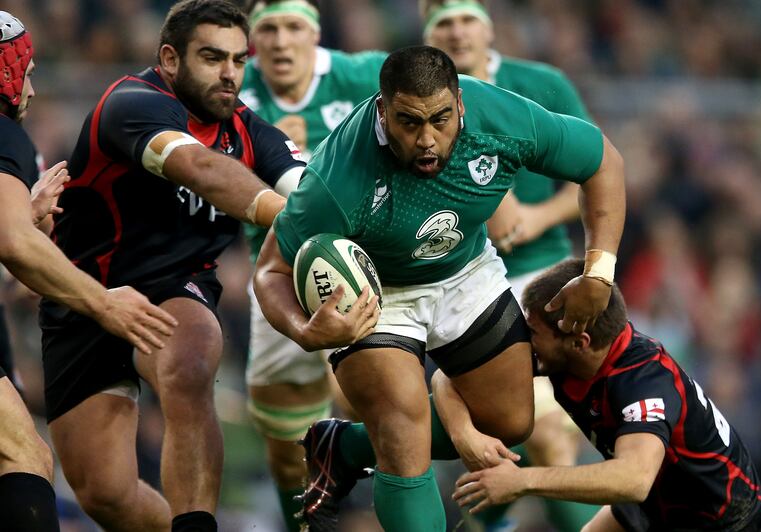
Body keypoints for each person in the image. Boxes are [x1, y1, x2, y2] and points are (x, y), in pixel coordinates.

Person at [254, 45, 626, 531]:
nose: (427, 139)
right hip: (375, 293)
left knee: (511, 423)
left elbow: (602, 162)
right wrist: (305, 332)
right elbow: (271, 272)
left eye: (441, 119)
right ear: (383, 112)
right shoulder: (336, 179)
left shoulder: (500, 118)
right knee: (402, 436)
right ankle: (383, 442)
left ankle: (345, 447)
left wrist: (599, 271)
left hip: (466, 269)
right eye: (409, 122)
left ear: (460, 104)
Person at [39, 1, 306, 531]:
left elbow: (306, 187)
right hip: (83, 295)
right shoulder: (130, 104)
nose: (229, 73)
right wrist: (291, 217)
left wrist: (323, 218)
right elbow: (198, 167)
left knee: (191, 362)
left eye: (238, 60)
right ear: (169, 58)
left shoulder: (252, 131)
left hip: (173, 288)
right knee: (104, 493)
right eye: (212, 57)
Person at [421, 0, 599, 528]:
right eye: (444, 22)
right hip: (460, 286)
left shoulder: (540, 84)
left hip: (544, 277)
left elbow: (596, 171)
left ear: (489, 27)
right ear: (427, 34)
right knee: (505, 438)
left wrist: (539, 217)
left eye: (467, 19)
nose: (457, 32)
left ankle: (491, 517)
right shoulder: (411, 99)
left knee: (545, 436)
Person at [0, 11, 179, 531]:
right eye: (27, 72)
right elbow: (14, 244)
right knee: (22, 457)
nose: (32, 88)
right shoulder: (5, 134)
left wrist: (23, 219)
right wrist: (104, 302)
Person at [445, 258, 761, 531]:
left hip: (723, 521)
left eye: (532, 332)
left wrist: (521, 482)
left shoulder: (644, 381)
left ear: (579, 342)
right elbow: (449, 375)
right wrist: (463, 433)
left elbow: (634, 478)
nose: (523, 341)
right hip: (654, 502)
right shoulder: (559, 351)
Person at [238, 2, 385, 529]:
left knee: (379, 407)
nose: (281, 42)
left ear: (316, 33)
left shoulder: (363, 75)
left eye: (293, 27)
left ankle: (361, 473)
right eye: (269, 29)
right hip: (278, 271)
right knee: (287, 450)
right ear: (252, 39)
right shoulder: (232, 89)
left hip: (369, 261)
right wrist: (263, 153)